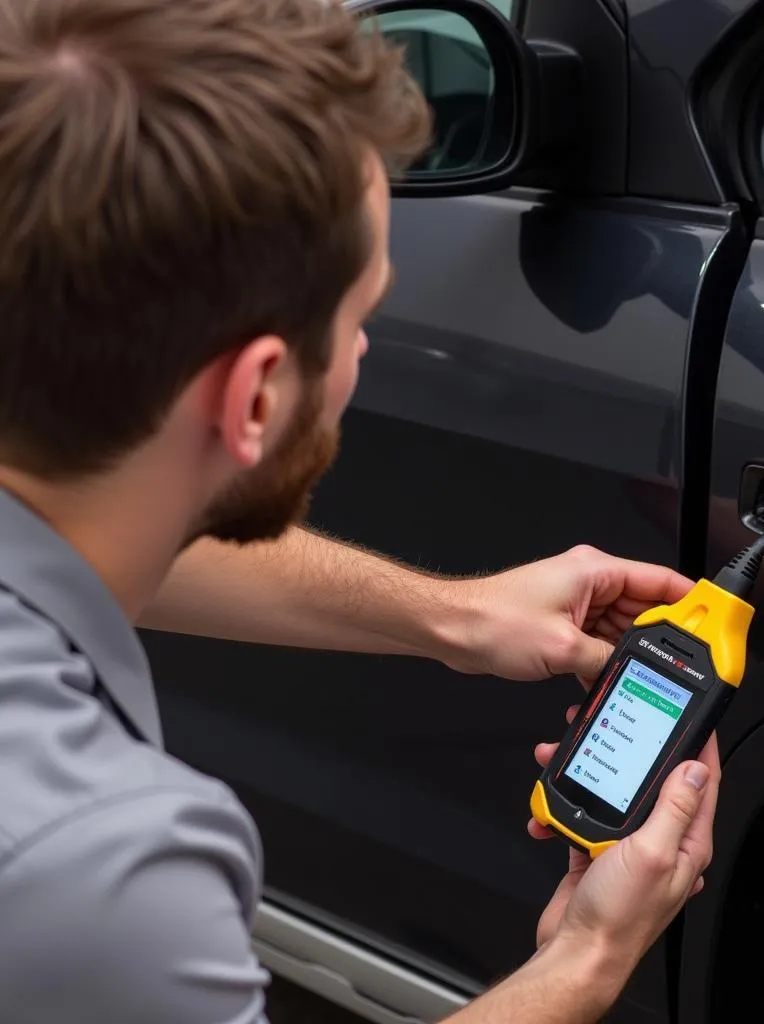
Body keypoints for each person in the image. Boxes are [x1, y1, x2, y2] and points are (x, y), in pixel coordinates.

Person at [0, 0, 720, 1021]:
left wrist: (455, 618)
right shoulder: (102, 871)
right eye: (356, 319)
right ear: (254, 396)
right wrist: (588, 957)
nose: (363, 355)